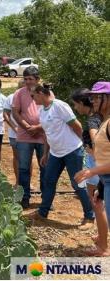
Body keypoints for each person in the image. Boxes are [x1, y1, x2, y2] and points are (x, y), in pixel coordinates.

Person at [30, 84, 94, 224]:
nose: (32, 98)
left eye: (33, 95)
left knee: (78, 184)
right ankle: (43, 212)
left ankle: (89, 216)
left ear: (40, 93)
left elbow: (77, 125)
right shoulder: (42, 110)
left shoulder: (59, 106)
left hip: (72, 150)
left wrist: (83, 145)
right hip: (55, 153)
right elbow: (47, 133)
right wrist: (46, 153)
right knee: (49, 180)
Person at [71, 88, 108, 255]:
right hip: (103, 172)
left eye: (97, 97)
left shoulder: (97, 121)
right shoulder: (103, 119)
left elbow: (97, 144)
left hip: (101, 170)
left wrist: (92, 170)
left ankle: (102, 245)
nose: (92, 101)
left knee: (99, 207)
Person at [12, 66, 46, 208]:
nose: (27, 81)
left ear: (37, 79)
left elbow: (51, 112)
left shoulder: (46, 92)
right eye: (25, 79)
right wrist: (27, 127)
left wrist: (38, 127)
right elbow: (15, 112)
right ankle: (24, 198)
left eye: (30, 79)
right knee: (24, 168)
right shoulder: (19, 93)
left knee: (45, 167)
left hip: (43, 135)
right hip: (24, 136)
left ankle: (46, 199)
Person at [3, 85, 20, 186]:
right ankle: (18, 181)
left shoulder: (32, 96)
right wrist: (15, 128)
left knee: (29, 158)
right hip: (14, 133)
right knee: (17, 157)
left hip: (29, 133)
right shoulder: (11, 97)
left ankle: (27, 182)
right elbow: (6, 114)